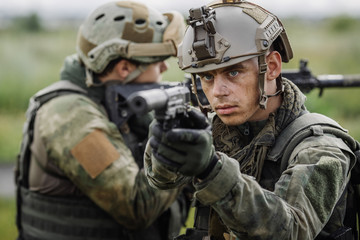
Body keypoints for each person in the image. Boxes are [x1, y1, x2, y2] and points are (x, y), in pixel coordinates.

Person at [144, 0, 359, 239]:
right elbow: (162, 180)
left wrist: (210, 170)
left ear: (273, 66)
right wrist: (164, 143)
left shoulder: (320, 146)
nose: (217, 91)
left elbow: (291, 232)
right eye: (206, 76)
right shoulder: (217, 131)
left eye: (233, 72)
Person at [15, 1, 190, 240]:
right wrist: (185, 151)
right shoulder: (70, 116)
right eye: (157, 59)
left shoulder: (120, 101)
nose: (164, 66)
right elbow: (136, 206)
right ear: (125, 68)